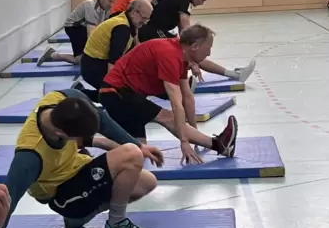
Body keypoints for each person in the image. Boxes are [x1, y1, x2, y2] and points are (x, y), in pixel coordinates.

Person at [0, 89, 166, 228]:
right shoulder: (29, 157)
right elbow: (7, 201)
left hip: (78, 173)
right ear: (61, 134)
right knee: (131, 155)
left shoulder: (62, 98)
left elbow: (102, 119)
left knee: (146, 181)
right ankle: (116, 226)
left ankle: (78, 218)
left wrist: (138, 144)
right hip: (63, 197)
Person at [98, 24, 238, 163]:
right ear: (194, 46)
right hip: (115, 93)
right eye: (208, 48)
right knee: (166, 117)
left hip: (129, 94)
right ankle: (219, 144)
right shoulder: (170, 55)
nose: (209, 54)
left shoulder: (181, 55)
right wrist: (184, 142)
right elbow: (176, 104)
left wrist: (195, 136)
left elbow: (187, 97)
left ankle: (91, 142)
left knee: (138, 151)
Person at [138, 0, 256, 83]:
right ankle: (235, 75)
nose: (202, 3)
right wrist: (192, 62)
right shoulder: (185, 1)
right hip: (152, 31)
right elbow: (187, 32)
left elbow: (182, 31)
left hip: (152, 29)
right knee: (193, 51)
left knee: (189, 51)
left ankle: (234, 74)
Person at [71, 0, 153, 102]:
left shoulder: (128, 21)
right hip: (93, 67)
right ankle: (78, 94)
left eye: (147, 19)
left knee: (124, 92)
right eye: (144, 18)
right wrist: (112, 87)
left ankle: (80, 92)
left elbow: (136, 48)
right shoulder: (122, 29)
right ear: (134, 13)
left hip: (95, 63)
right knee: (116, 97)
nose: (145, 23)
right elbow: (113, 62)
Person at [37, 0, 116, 66]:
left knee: (88, 57)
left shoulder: (106, 10)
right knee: (79, 60)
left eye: (113, 2)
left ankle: (51, 53)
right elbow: (91, 34)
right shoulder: (92, 7)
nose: (111, 5)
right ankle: (52, 54)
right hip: (73, 27)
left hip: (83, 28)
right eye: (109, 1)